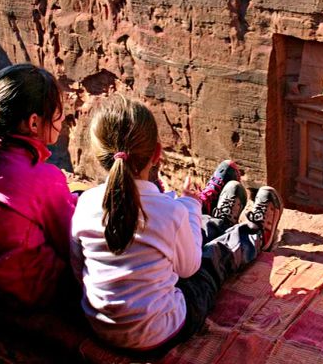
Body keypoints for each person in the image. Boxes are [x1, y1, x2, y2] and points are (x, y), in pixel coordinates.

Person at [70, 95, 283, 352]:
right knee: (213, 259)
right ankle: (255, 234)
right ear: (157, 153)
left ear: (99, 155)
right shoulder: (169, 211)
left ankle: (219, 219)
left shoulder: (84, 205)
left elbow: (78, 267)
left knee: (175, 241)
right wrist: (190, 205)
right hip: (164, 331)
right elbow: (190, 268)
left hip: (102, 329)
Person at [0, 63, 76, 308]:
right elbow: (70, 245)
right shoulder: (43, 177)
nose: (63, 118)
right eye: (57, 111)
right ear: (33, 123)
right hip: (29, 288)